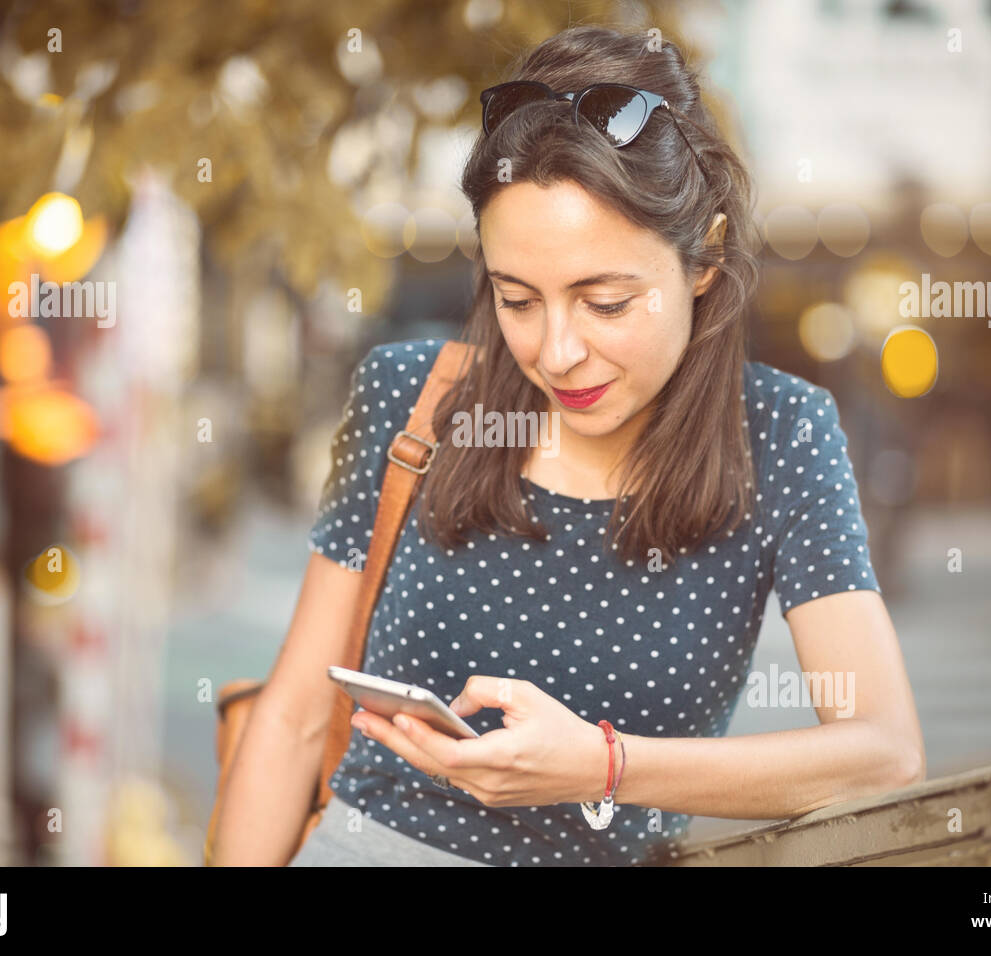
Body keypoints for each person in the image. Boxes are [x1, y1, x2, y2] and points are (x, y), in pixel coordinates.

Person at [211, 25, 924, 867]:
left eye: (607, 303)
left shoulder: (782, 434)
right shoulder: (411, 397)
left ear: (707, 260)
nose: (556, 352)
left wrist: (603, 765)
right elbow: (292, 718)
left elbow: (883, 753)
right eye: (518, 299)